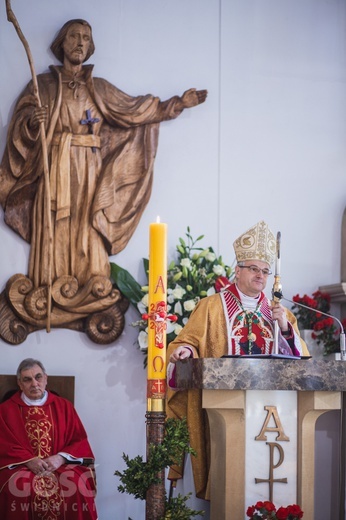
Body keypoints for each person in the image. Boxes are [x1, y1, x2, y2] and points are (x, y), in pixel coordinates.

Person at [0, 18, 207, 309]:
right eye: (74, 36)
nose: (81, 42)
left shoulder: (98, 87)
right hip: (55, 169)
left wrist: (177, 104)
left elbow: (135, 110)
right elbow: (22, 127)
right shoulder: (43, 85)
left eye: (86, 37)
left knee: (88, 226)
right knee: (54, 225)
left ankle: (90, 288)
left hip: (89, 172)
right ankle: (48, 291)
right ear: (61, 43)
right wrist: (33, 123)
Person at [166, 220, 309, 500]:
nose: (261, 276)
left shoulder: (280, 313)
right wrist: (185, 353)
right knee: (227, 480)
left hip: (270, 412)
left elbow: (300, 358)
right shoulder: (210, 307)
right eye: (254, 268)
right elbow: (187, 342)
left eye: (265, 271)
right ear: (237, 270)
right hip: (222, 408)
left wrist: (284, 330)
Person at [0, 358, 98, 519]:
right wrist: (28, 460)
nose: (34, 383)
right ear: (20, 383)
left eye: (38, 377)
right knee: (16, 488)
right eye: (27, 379)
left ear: (46, 378)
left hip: (59, 465)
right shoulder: (5, 410)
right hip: (21, 467)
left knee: (77, 485)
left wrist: (60, 458)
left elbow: (79, 440)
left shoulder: (64, 406)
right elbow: (3, 444)